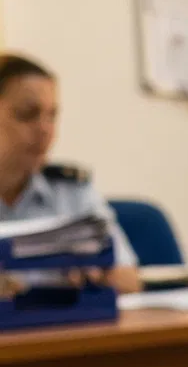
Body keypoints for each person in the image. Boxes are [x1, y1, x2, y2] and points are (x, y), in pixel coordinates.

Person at [0, 54, 139, 294]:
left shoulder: (72, 191)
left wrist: (98, 276)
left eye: (52, 115)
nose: (45, 129)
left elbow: (129, 279)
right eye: (28, 113)